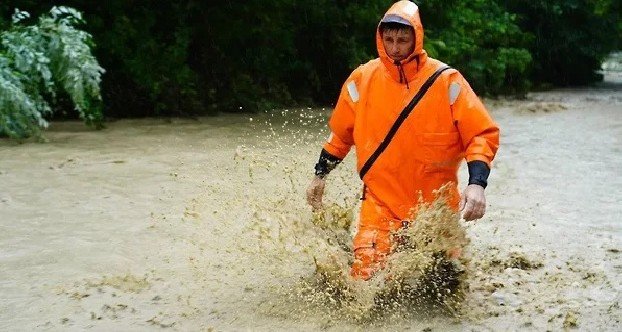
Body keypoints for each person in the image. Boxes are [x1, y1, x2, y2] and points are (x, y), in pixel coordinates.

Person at [306, 0, 500, 280]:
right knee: (364, 279)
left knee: (448, 284)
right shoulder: (362, 80)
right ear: (380, 39)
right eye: (389, 40)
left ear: (416, 39)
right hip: (380, 203)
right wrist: (319, 176)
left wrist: (477, 184)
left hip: (435, 207)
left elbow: (480, 134)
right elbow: (340, 136)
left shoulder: (446, 81)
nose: (395, 47)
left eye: (402, 40)